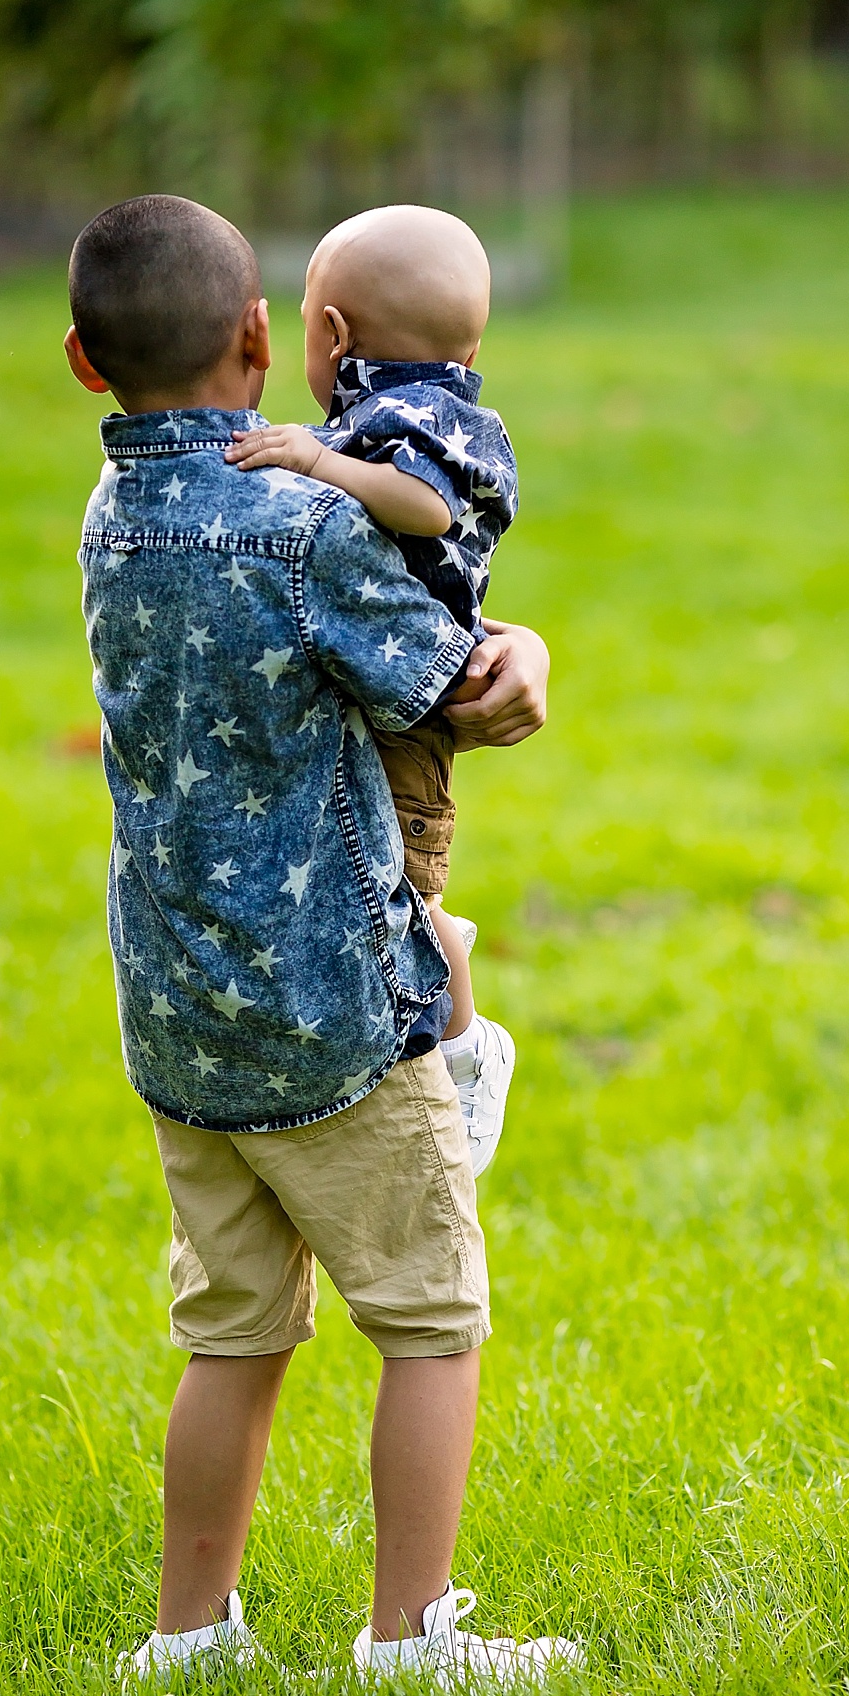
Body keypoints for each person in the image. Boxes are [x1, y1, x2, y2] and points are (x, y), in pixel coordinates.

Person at [64, 193, 576, 1684]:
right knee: (431, 1318)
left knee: (231, 1332)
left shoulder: (109, 518)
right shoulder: (302, 525)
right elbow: (456, 691)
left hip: (177, 1015)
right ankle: (409, 1638)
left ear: (88, 368)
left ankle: (189, 1638)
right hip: (332, 1011)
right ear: (261, 342)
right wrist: (527, 648)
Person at [224, 205, 515, 1174]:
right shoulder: (393, 414)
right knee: (370, 893)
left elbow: (427, 505)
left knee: (403, 899)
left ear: (334, 333)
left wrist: (315, 458)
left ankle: (467, 1059)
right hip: (383, 681)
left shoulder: (417, 419)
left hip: (413, 708)